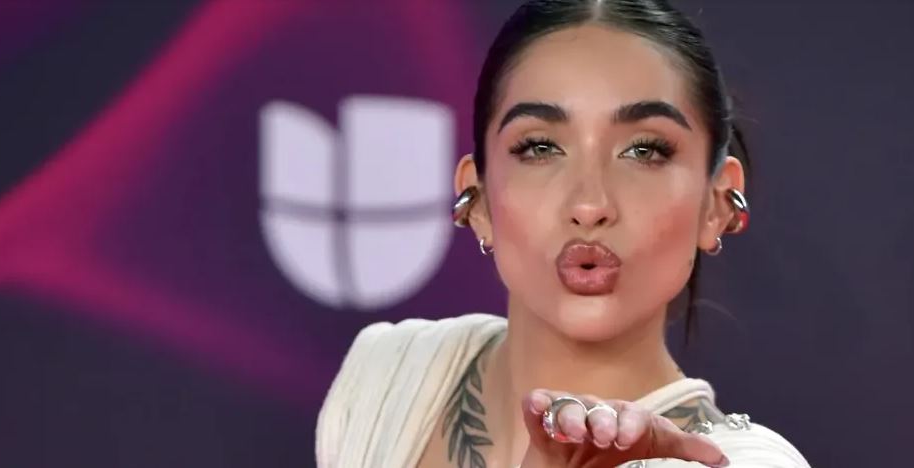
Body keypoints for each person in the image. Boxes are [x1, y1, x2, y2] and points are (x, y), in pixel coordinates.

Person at [317, 1, 809, 466]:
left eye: (645, 151)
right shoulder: (385, 374)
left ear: (718, 204)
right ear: (477, 198)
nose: (589, 205)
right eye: (540, 147)